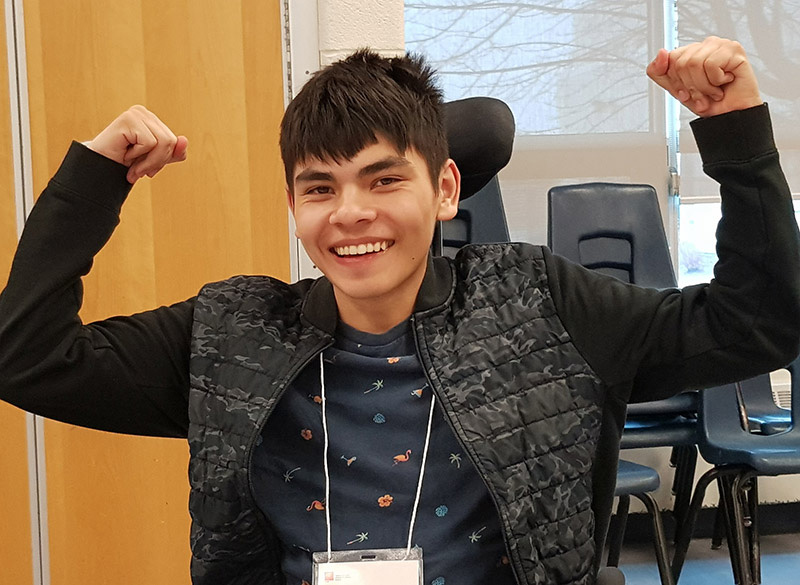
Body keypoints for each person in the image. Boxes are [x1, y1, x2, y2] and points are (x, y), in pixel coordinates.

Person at [1, 36, 798, 585]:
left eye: (384, 180)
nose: (350, 212)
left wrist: (736, 137)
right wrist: (93, 181)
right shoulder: (230, 335)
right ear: (292, 204)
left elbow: (756, 322)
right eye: (320, 187)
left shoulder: (542, 307)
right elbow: (26, 357)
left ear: (446, 188)